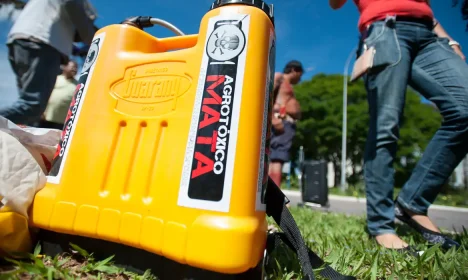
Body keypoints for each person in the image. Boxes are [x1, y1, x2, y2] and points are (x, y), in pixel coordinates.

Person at [329, 0, 467, 253]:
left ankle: (411, 204)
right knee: (386, 125)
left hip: (429, 35)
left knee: (464, 110)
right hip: (385, 29)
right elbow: (335, 4)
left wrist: (450, 40)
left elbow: (422, 8)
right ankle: (381, 225)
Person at [0, 0, 97, 126]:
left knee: (27, 107)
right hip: (43, 43)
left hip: (21, 41)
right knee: (32, 106)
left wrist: (74, 48)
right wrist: (94, 38)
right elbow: (71, 5)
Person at [268, 60, 304, 189]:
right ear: (294, 70)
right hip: (280, 122)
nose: (300, 78)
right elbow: (266, 95)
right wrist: (272, 118)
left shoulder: (288, 84)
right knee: (277, 158)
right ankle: (273, 196)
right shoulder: (280, 77)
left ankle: (270, 194)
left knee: (278, 158)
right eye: (300, 74)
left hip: (287, 123)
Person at [40, 60, 79, 130]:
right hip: (45, 118)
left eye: (76, 68)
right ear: (65, 67)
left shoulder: (78, 85)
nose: (74, 69)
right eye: (72, 67)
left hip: (62, 122)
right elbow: (43, 94)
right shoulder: (55, 79)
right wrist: (41, 111)